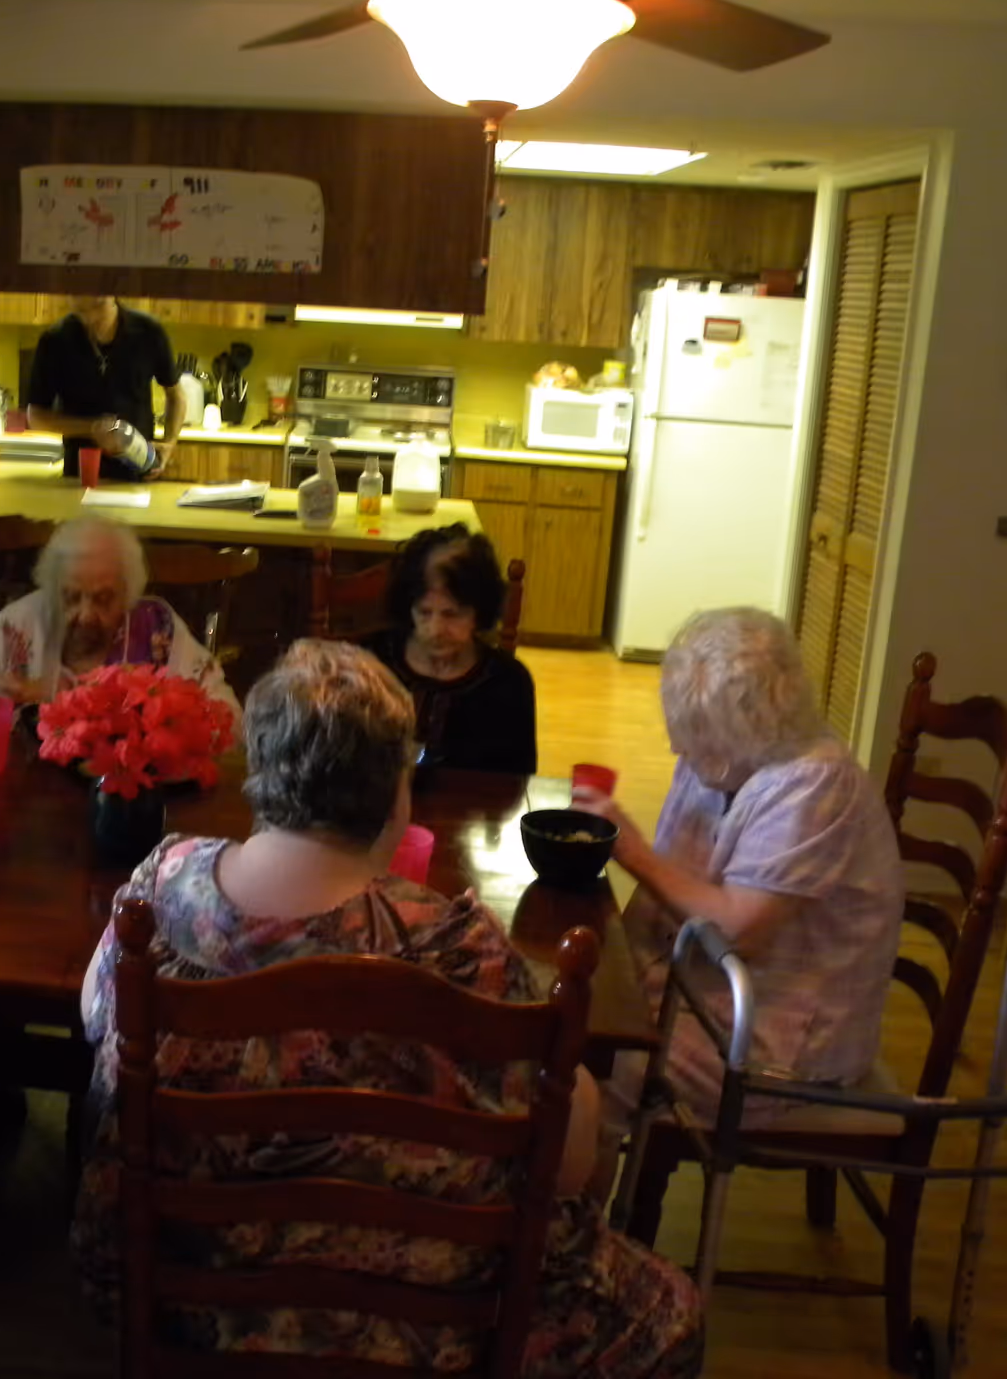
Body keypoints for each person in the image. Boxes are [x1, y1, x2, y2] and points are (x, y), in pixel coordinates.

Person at [71, 640, 702, 1376]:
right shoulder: (461, 951)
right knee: (671, 1315)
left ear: (261, 772)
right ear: (394, 790)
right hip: (415, 1321)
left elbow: (94, 1018)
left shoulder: (163, 879)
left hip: (174, 1290)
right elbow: (563, 1167)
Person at [573, 607, 905, 1126]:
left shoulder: (815, 784)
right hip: (693, 988)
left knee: (592, 1071)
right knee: (564, 1020)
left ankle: (576, 1204)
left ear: (743, 731)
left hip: (773, 1038)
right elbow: (661, 898)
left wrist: (632, 853)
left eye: (693, 730)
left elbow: (737, 931)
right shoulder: (716, 760)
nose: (676, 744)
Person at [0, 516, 239, 731]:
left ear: (129, 593)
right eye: (71, 597)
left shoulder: (158, 629)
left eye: (103, 599)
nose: (86, 614)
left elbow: (231, 721)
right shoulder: (23, 623)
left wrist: (170, 715)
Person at [367, 524, 538, 774]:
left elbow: (519, 784)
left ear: (478, 613)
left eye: (451, 614)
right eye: (424, 612)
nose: (435, 629)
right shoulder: (373, 664)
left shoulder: (508, 682)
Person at [25, 295, 186, 479]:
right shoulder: (55, 340)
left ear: (111, 298)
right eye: (81, 313)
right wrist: (92, 428)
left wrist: (169, 443)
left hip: (138, 468)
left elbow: (177, 396)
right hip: (79, 474)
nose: (90, 320)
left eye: (97, 310)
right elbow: (36, 416)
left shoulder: (148, 332)